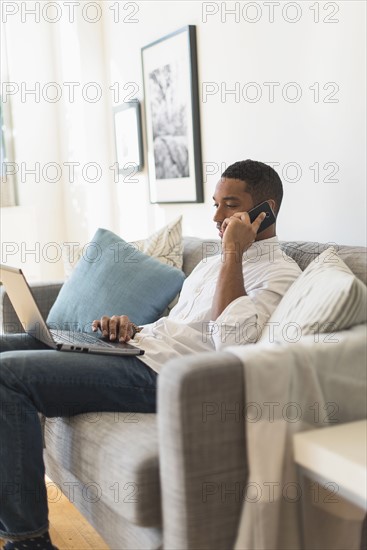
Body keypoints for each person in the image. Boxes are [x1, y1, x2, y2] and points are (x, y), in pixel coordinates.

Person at [0, 160, 301, 550]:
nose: (216, 217)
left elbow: (229, 344)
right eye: (215, 204)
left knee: (7, 377)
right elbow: (181, 325)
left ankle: (29, 542)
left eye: (230, 205)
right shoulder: (210, 265)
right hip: (138, 349)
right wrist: (130, 328)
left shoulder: (281, 274)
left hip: (162, 374)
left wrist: (232, 254)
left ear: (265, 211)